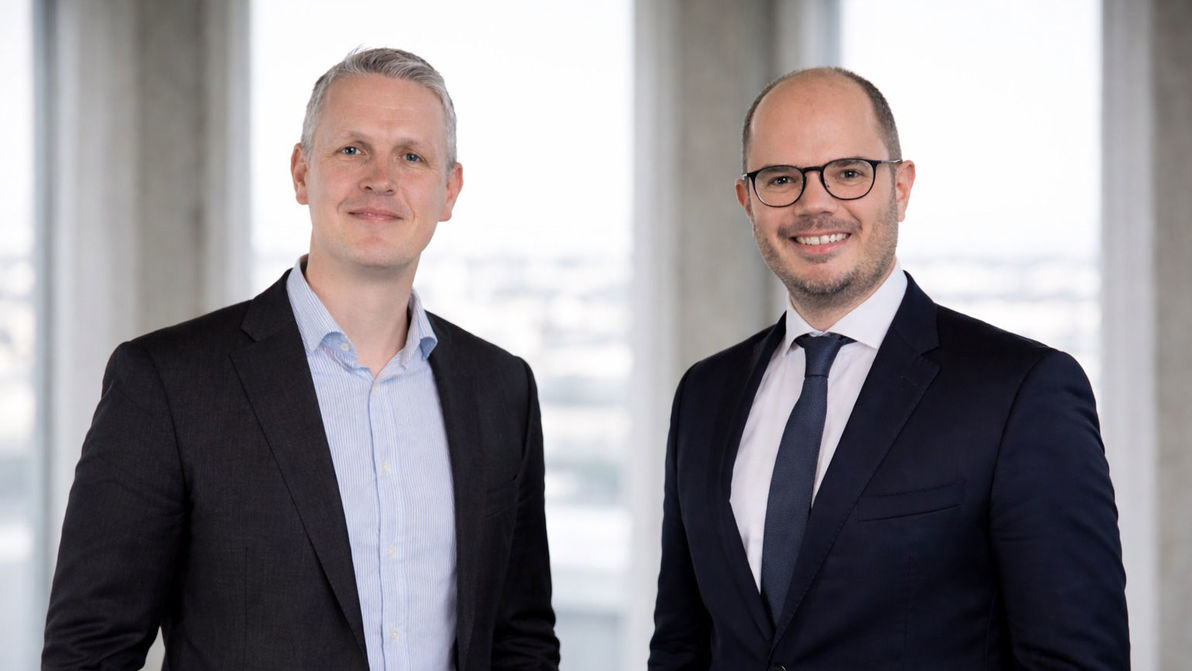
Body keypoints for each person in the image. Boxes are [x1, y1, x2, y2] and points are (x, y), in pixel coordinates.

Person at [43, 48, 559, 671]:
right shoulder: (168, 384)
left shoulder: (502, 390)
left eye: (411, 157)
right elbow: (89, 652)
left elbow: (521, 638)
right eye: (352, 149)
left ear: (448, 191)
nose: (380, 179)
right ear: (300, 173)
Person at [648, 67, 1129, 669]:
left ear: (900, 188)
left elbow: (1076, 660)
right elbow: (680, 646)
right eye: (781, 178)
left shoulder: (1021, 393)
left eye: (849, 173)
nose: (814, 203)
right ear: (748, 201)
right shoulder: (704, 394)